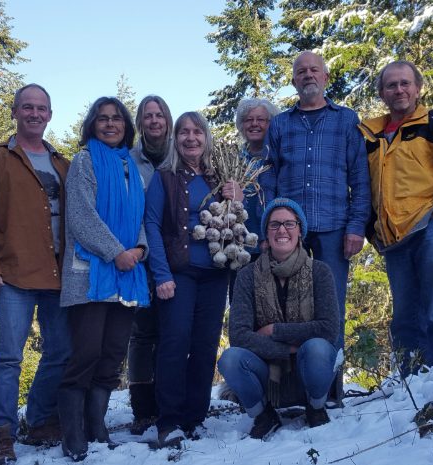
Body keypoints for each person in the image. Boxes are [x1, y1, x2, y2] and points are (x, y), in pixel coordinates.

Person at [0, 83, 70, 465]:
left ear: (50, 115)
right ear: (15, 112)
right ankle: (1, 434)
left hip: (59, 277)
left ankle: (40, 420)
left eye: (42, 108)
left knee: (60, 352)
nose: (35, 113)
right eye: (28, 107)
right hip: (12, 275)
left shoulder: (63, 163)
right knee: (8, 358)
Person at [359, 60, 433, 375]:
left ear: (417, 88)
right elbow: (361, 185)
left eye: (404, 83)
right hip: (394, 239)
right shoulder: (369, 135)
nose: (399, 90)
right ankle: (409, 385)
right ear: (382, 93)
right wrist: (372, 230)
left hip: (431, 228)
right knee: (404, 318)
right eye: (391, 85)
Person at [263, 50, 371, 400]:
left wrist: (356, 227)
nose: (308, 75)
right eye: (301, 71)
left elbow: (361, 179)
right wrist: (269, 231)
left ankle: (328, 391)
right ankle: (290, 391)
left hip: (333, 230)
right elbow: (269, 180)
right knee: (287, 307)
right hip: (288, 234)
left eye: (314, 70)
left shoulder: (346, 120)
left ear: (325, 77)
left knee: (330, 307)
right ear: (293, 81)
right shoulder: (280, 124)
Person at [56, 97, 150, 460]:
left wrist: (139, 249)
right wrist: (117, 252)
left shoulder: (132, 168)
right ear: (92, 125)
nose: (110, 124)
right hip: (90, 276)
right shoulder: (84, 162)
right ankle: (72, 433)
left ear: (127, 125)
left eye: (117, 119)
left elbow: (139, 216)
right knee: (86, 354)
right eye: (102, 119)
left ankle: (97, 426)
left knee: (112, 355)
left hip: (127, 275)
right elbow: (81, 218)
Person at [144, 112, 244, 448]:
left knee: (204, 345)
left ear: (206, 138)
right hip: (179, 273)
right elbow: (153, 226)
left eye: (197, 132)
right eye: (184, 132)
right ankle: (169, 420)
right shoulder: (165, 178)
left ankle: (195, 417)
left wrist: (237, 197)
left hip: (215, 275)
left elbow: (237, 222)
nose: (191, 138)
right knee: (175, 342)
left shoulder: (220, 176)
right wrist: (161, 274)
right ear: (176, 139)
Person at [217, 198, 339, 440]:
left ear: (300, 231)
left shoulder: (319, 272)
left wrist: (275, 330)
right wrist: (289, 348)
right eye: (274, 225)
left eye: (289, 224)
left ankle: (315, 409)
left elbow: (328, 329)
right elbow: (239, 335)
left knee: (318, 348)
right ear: (266, 234)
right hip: (266, 375)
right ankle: (263, 415)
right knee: (230, 359)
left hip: (308, 371)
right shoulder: (247, 275)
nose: (282, 230)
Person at [127, 95, 173, 435]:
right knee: (143, 332)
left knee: (171, 330)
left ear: (168, 120)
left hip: (177, 256)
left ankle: (169, 397)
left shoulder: (182, 155)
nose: (154, 121)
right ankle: (143, 405)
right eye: (148, 116)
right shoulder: (130, 161)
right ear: (140, 122)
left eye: (159, 115)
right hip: (142, 254)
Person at [234, 98, 281, 260]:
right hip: (239, 244)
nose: (254, 124)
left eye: (261, 119)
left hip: (272, 243)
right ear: (242, 125)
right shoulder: (234, 160)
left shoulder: (278, 158)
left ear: (271, 124)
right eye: (249, 120)